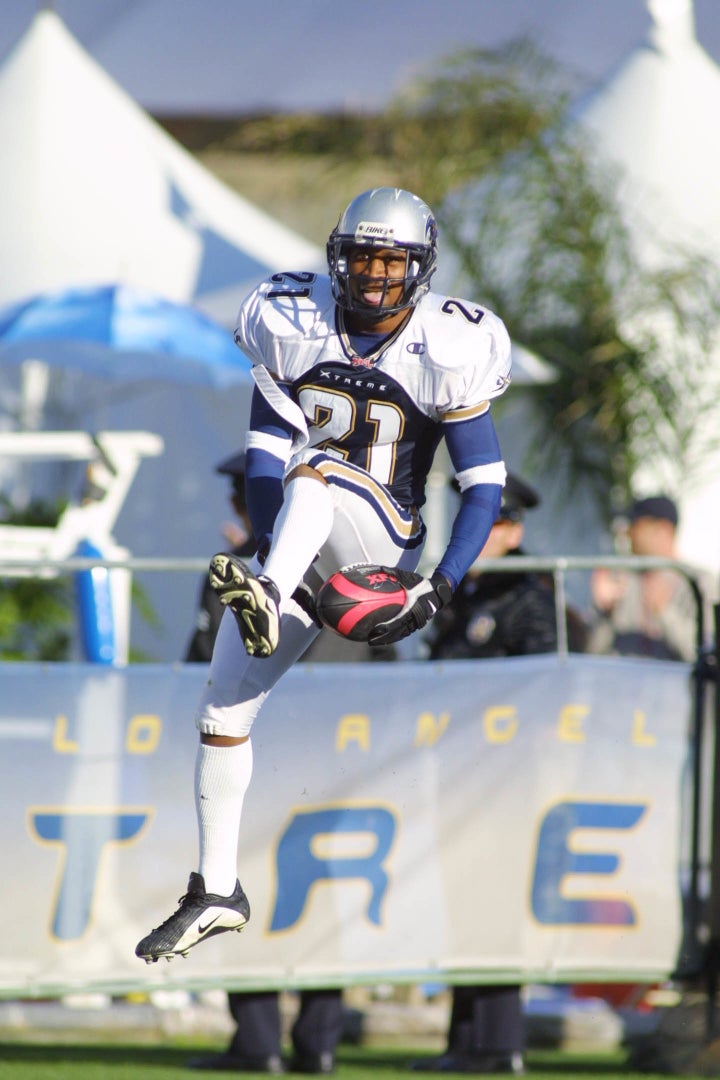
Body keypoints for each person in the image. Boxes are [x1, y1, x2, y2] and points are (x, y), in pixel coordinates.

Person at [135, 187, 512, 975]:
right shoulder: (290, 319)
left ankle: (265, 594)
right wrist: (278, 546)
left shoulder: (448, 342)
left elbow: (484, 485)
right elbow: (263, 458)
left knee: (320, 469)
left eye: (392, 262)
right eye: (364, 259)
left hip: (382, 544)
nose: (376, 277)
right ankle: (217, 886)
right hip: (300, 545)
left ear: (421, 269)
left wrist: (437, 584)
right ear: (338, 258)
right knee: (222, 705)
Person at [185, 452, 345, 1075]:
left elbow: (205, 660)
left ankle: (272, 1041)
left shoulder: (249, 569)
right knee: (304, 888)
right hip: (324, 744)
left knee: (248, 875)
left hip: (271, 745)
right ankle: (308, 1041)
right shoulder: (354, 559)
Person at [411, 473, 557, 1076]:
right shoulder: (466, 589)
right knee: (465, 902)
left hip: (506, 773)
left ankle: (498, 1044)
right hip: (459, 769)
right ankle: (464, 1040)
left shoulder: (528, 588)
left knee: (495, 900)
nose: (483, 533)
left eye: (494, 523)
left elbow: (539, 674)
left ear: (515, 529)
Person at [587, 494, 701, 662]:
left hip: (675, 687)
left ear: (663, 529)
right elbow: (592, 654)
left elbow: (701, 656)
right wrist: (605, 613)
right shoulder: (622, 580)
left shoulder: (698, 583)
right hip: (622, 685)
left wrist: (665, 612)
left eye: (636, 525)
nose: (629, 533)